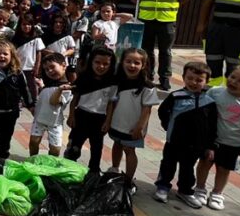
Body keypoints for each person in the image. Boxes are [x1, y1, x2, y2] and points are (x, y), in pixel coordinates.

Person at [194, 65, 240, 211]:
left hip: (233, 142)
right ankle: (199, 188)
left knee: (224, 169)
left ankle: (217, 193)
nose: (233, 82)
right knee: (204, 163)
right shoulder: (215, 92)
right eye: (232, 77)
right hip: (210, 139)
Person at [153, 61, 217, 207]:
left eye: (199, 80)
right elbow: (162, 111)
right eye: (190, 78)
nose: (193, 82)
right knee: (168, 164)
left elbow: (213, 126)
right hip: (173, 142)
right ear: (183, 77)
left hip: (195, 145)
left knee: (188, 168)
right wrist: (167, 126)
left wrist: (210, 146)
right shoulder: (175, 96)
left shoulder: (209, 102)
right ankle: (162, 186)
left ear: (207, 81)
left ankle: (185, 191)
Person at [105, 48, 160, 195]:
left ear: (144, 65)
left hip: (133, 127)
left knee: (129, 150)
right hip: (117, 123)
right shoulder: (116, 82)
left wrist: (139, 127)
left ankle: (129, 181)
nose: (132, 65)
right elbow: (112, 103)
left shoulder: (147, 87)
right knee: (117, 144)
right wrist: (108, 120)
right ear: (122, 62)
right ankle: (115, 168)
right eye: (128, 61)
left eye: (137, 62)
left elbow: (147, 109)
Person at [138, 0, 189, 91]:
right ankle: (148, 77)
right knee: (146, 50)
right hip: (147, 19)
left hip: (166, 20)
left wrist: (171, 6)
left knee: (165, 51)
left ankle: (164, 79)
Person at [64, 47, 117, 173]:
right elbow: (75, 98)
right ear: (91, 61)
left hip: (99, 119)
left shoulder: (112, 82)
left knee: (96, 148)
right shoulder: (83, 78)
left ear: (111, 65)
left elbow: (111, 103)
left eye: (105, 64)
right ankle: (69, 168)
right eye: (97, 62)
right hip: (81, 115)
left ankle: (93, 172)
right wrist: (71, 115)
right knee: (74, 146)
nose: (101, 66)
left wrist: (108, 121)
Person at [29, 53, 73, 156]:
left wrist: (60, 89)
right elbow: (47, 94)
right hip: (39, 119)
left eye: (52, 67)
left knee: (55, 149)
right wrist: (41, 86)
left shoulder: (66, 88)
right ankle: (33, 160)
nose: (50, 71)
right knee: (34, 142)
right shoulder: (49, 84)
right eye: (46, 69)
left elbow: (53, 101)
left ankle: (50, 165)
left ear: (63, 65)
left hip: (55, 123)